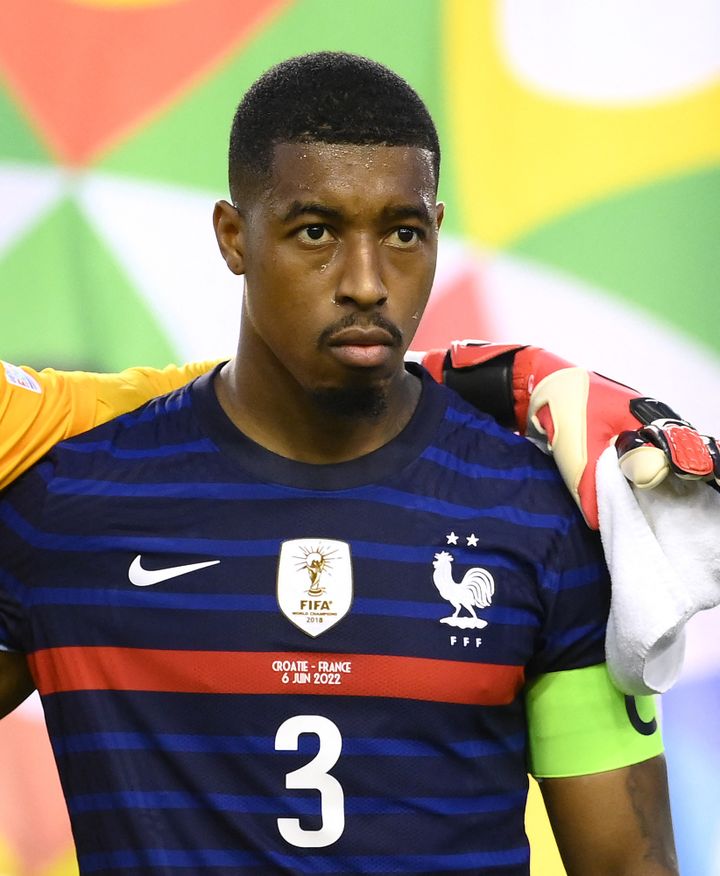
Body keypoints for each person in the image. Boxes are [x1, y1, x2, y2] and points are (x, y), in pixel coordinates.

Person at [0, 52, 678, 874]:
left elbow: (629, 865)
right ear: (233, 237)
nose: (366, 282)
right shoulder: (65, 509)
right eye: (315, 231)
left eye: (402, 234)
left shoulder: (539, 513)